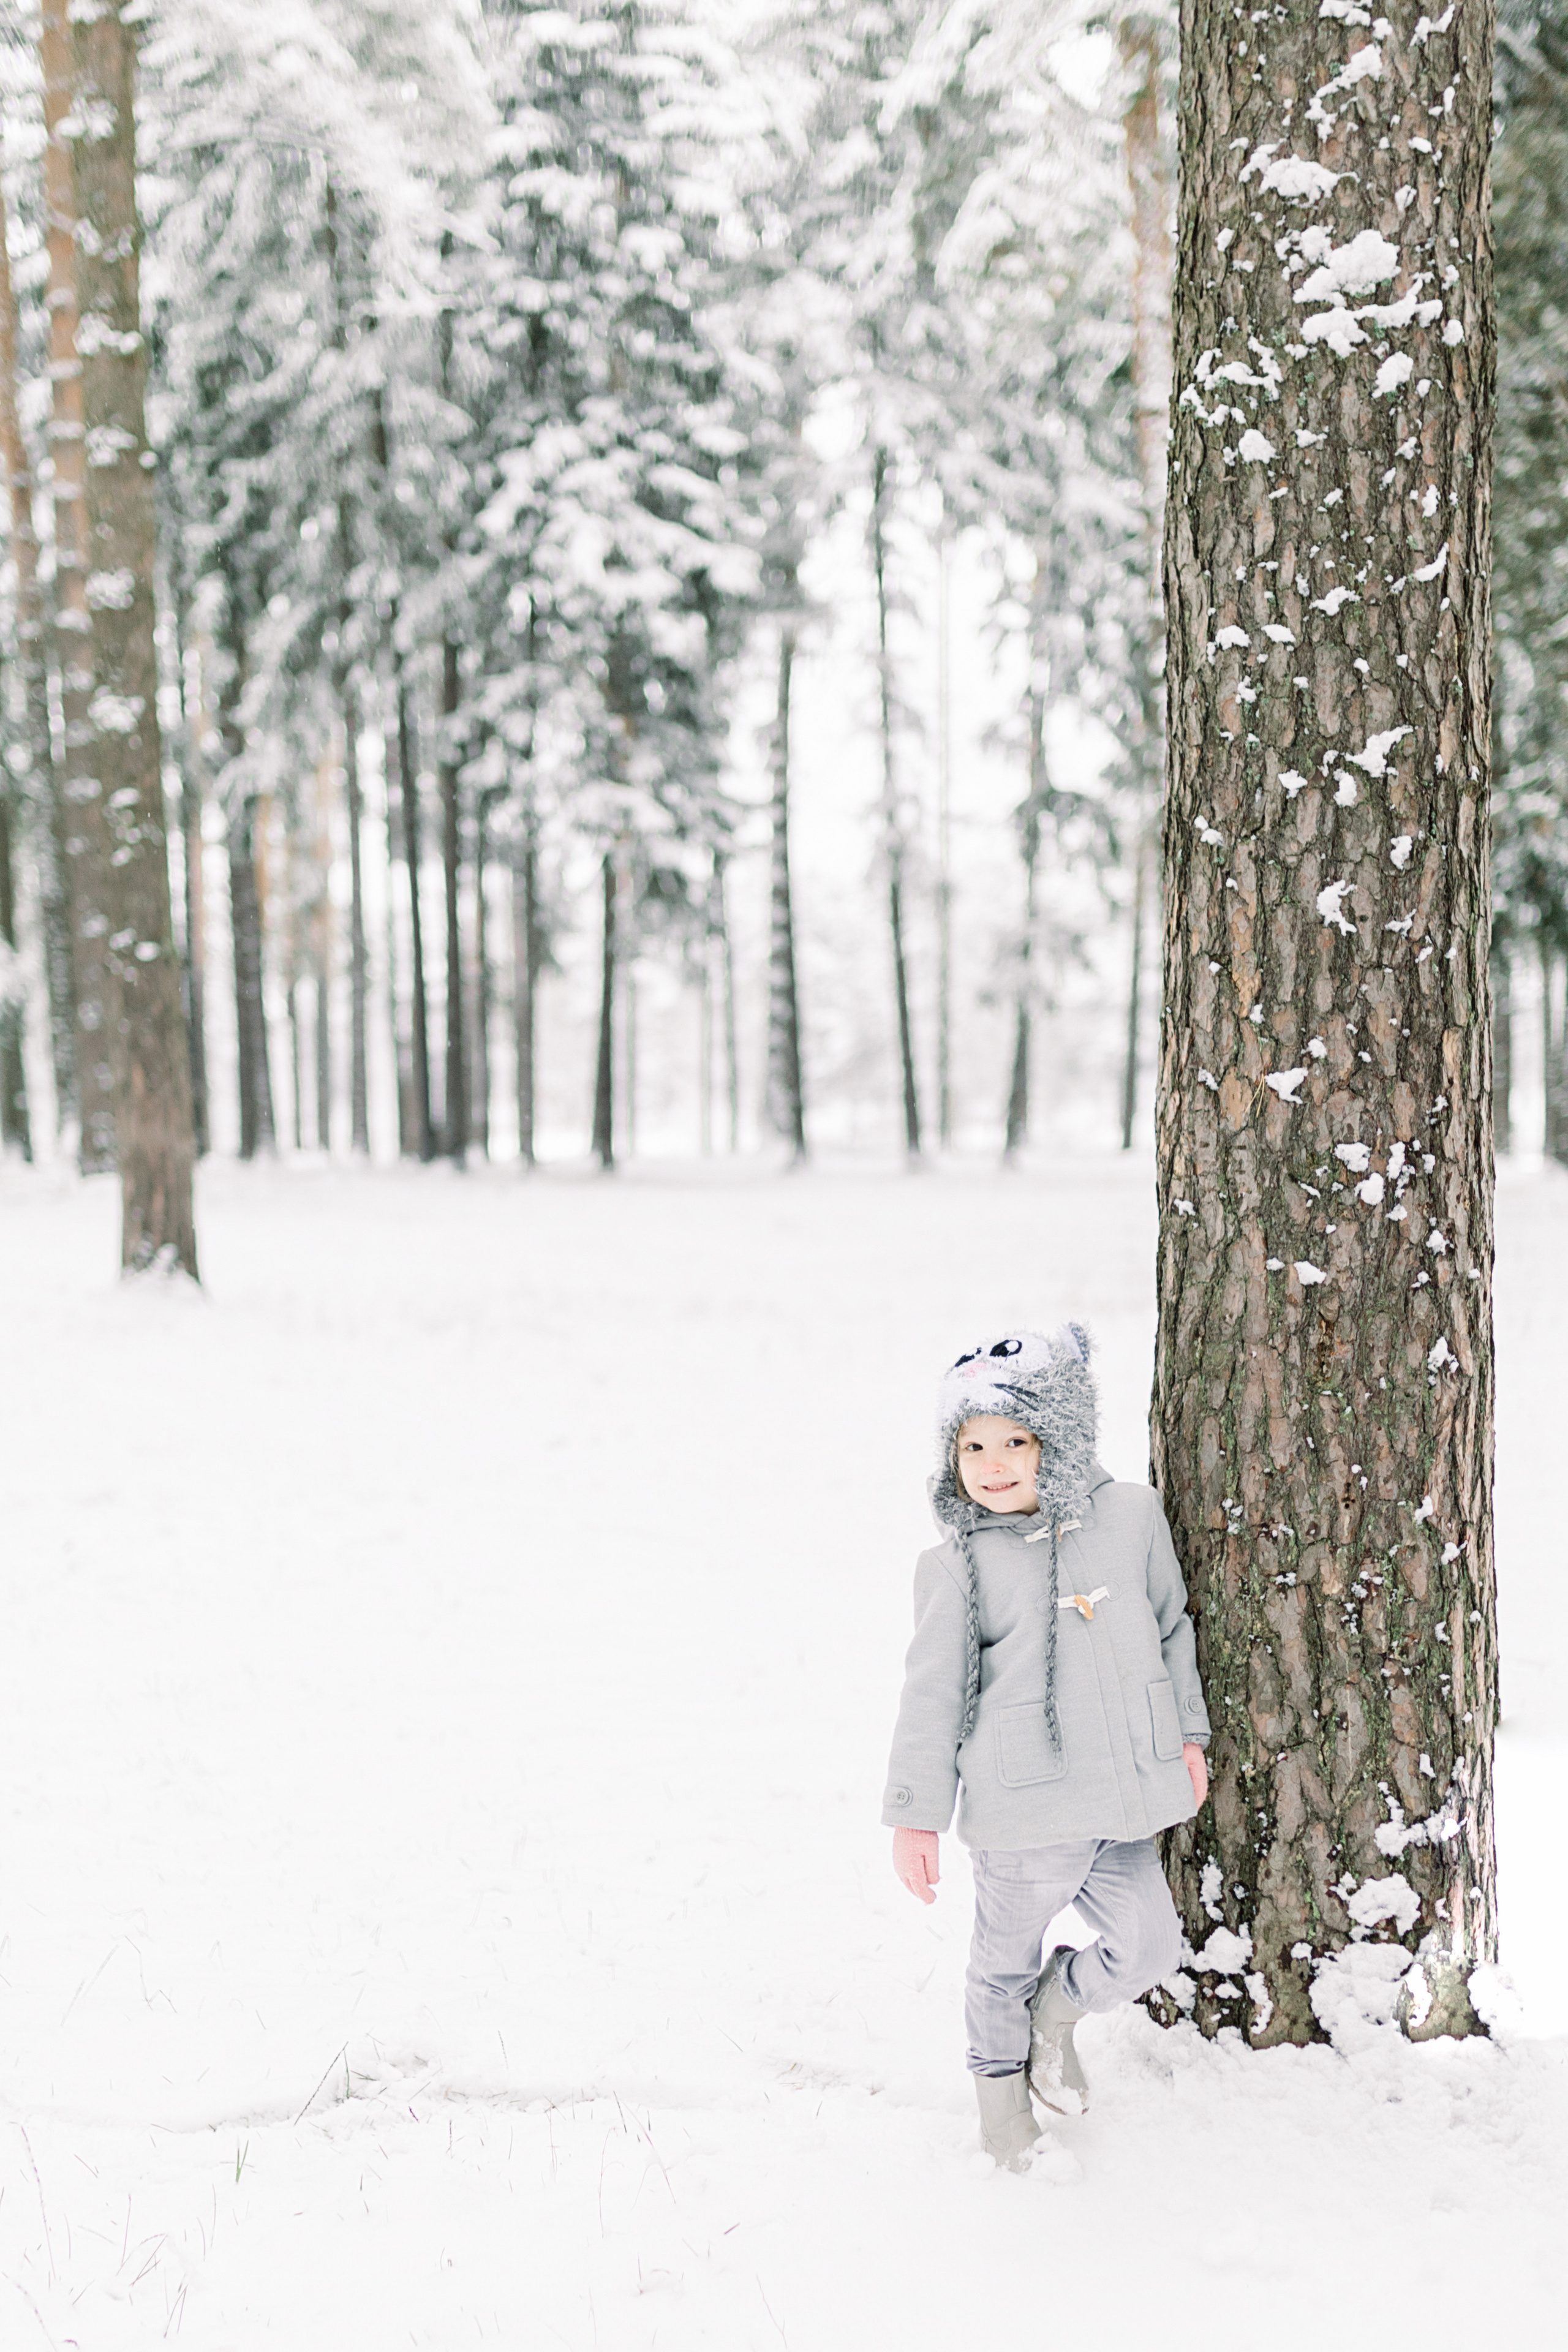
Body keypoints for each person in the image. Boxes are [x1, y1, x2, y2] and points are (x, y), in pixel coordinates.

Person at [882, 1324, 1210, 2169]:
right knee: (999, 1965)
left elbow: (1173, 1629)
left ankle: (1056, 2011)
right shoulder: (957, 1566)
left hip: (1125, 1800)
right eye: (974, 1446)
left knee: (1149, 1946)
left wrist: (1186, 1733)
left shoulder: (1131, 1516)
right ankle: (1000, 2106)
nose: (993, 1465)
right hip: (1024, 1814)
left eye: (1016, 1442)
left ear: (1058, 1436)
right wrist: (915, 1818)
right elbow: (931, 1698)